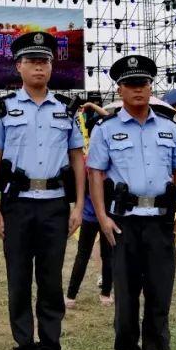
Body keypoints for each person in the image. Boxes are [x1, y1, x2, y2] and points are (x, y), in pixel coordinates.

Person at [0, 31, 86, 350]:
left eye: (44, 61)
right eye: (32, 61)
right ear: (19, 66)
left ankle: (52, 349)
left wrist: (79, 206)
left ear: (52, 66)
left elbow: (77, 159)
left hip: (55, 205)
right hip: (17, 205)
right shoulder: (3, 108)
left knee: (51, 279)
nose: (38, 67)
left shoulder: (66, 110)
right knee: (18, 279)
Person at [87, 54, 176, 350]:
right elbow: (95, 174)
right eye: (131, 84)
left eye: (144, 84)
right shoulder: (106, 129)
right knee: (127, 287)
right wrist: (102, 218)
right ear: (120, 90)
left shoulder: (168, 128)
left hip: (160, 219)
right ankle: (127, 349)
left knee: (161, 286)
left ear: (150, 87)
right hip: (124, 221)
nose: (138, 90)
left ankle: (159, 347)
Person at [66, 99, 113, 309]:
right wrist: (93, 108)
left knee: (89, 254)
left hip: (98, 215)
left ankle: (74, 296)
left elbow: (109, 119)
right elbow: (111, 118)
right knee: (98, 255)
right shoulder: (95, 160)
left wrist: (92, 107)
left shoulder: (92, 159)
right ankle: (95, 295)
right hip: (97, 215)